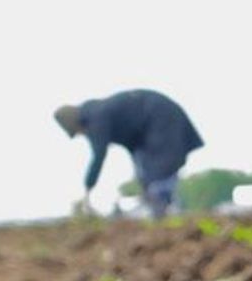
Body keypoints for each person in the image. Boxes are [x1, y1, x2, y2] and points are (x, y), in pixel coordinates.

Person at [53, 89, 204, 219]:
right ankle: (161, 211)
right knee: (148, 174)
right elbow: (133, 148)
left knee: (159, 170)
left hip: (160, 116)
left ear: (76, 123)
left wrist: (88, 187)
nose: (81, 135)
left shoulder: (97, 118)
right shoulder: (97, 113)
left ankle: (165, 210)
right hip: (150, 127)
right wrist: (141, 179)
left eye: (77, 132)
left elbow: (98, 155)